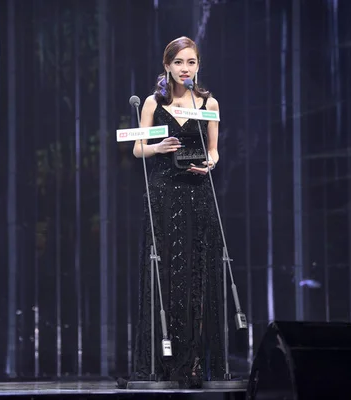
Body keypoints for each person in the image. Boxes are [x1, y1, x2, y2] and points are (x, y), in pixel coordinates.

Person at [131, 36, 225, 389]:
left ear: (198, 65)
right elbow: (138, 149)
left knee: (199, 272)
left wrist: (208, 165)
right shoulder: (154, 104)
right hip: (163, 194)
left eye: (192, 62)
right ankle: (165, 361)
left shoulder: (209, 103)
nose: (186, 69)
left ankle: (197, 361)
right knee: (167, 272)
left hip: (199, 192)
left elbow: (214, 150)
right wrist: (159, 146)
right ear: (167, 66)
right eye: (180, 63)